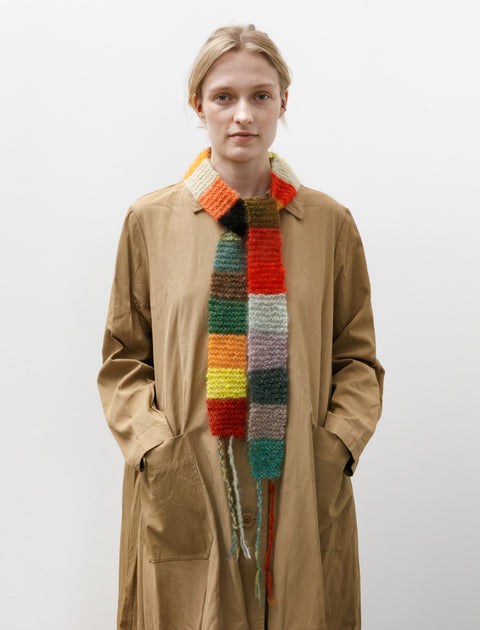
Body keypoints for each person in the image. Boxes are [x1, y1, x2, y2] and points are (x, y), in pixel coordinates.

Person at [97, 23, 385, 630]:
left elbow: (357, 359)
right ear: (198, 104)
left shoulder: (328, 224)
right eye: (224, 96)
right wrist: (155, 449)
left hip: (300, 482)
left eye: (260, 96)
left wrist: (334, 447)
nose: (243, 115)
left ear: (284, 102)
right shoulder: (151, 221)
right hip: (190, 479)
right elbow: (123, 359)